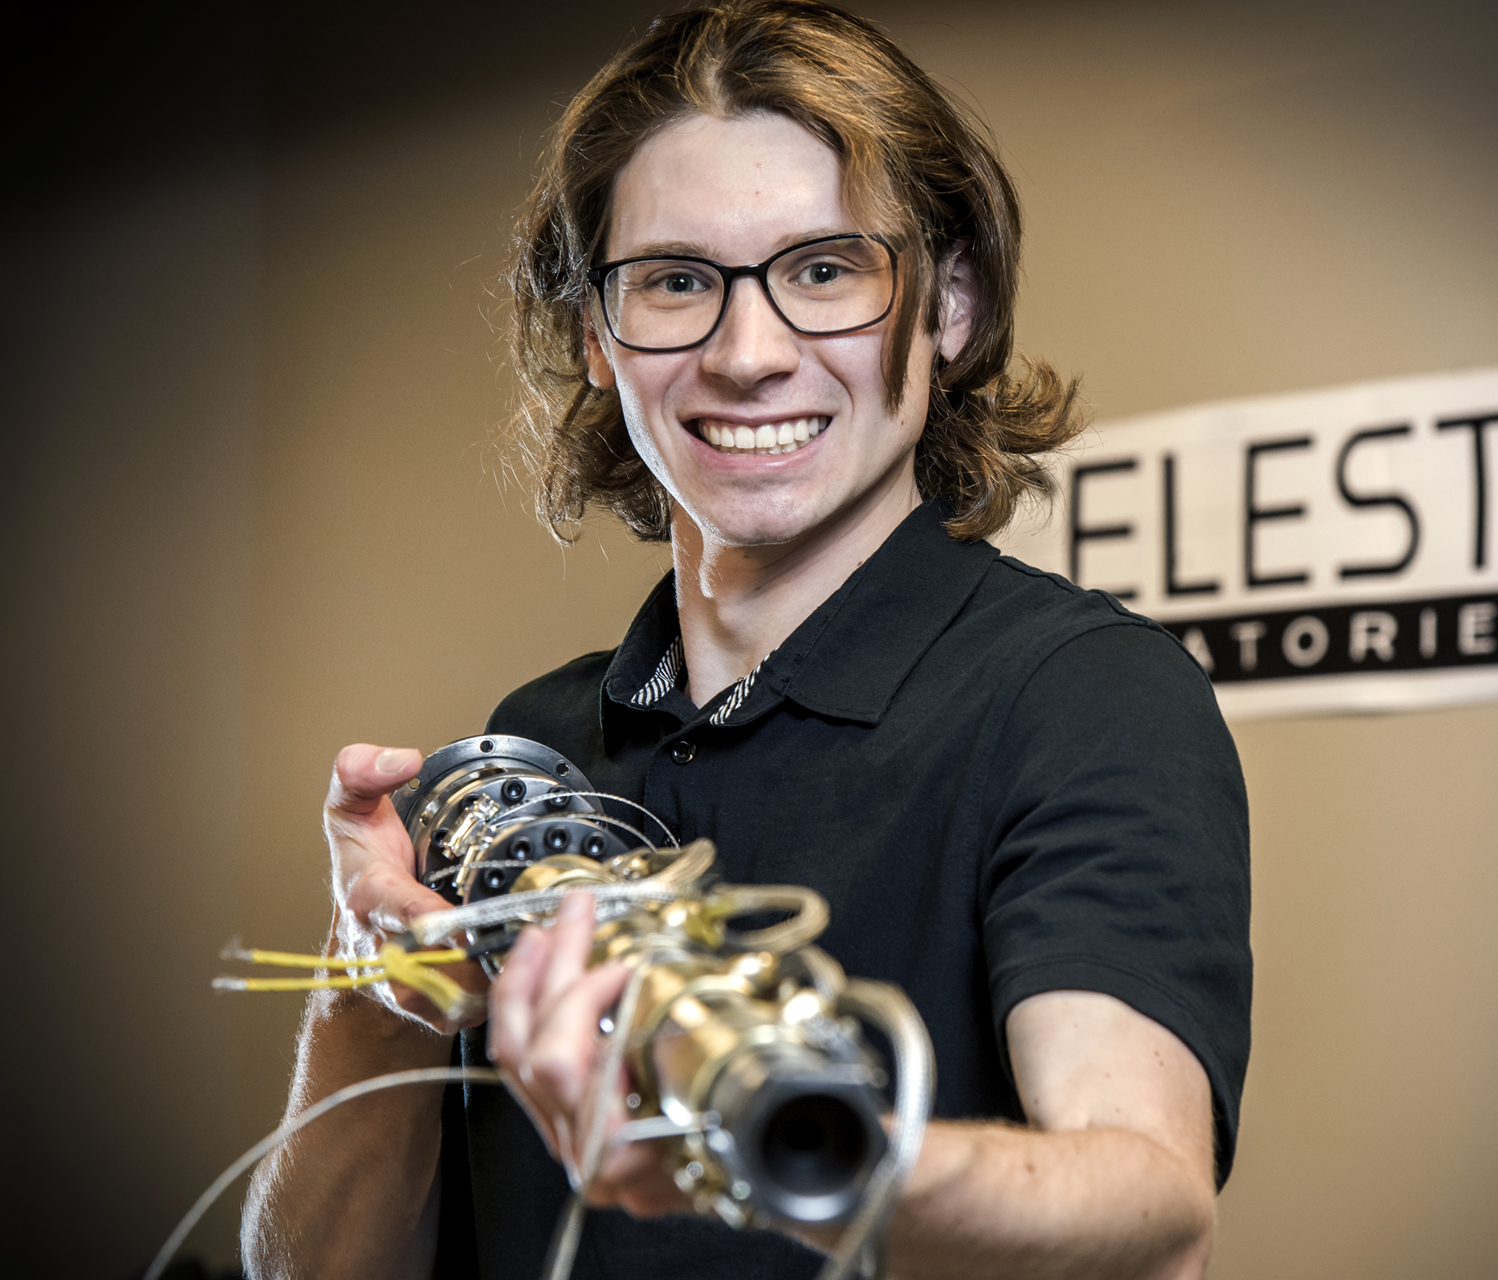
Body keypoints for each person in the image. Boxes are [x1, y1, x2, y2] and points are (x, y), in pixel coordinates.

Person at [241, 4, 1251, 1278]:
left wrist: (796, 1143)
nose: (748, 352)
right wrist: (373, 996)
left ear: (947, 300)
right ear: (599, 340)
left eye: (824, 269)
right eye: (675, 281)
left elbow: (1154, 1219)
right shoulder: (535, 748)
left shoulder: (1088, 695)